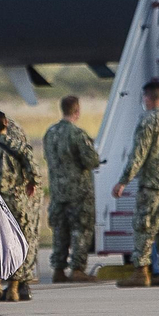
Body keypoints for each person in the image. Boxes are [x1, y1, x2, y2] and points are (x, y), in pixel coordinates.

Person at [112, 80, 159, 288]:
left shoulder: (147, 121)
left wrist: (123, 181)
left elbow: (138, 154)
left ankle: (141, 272)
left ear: (147, 98)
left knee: (144, 227)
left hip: (153, 185)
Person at [43, 95, 101, 284]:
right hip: (78, 192)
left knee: (60, 231)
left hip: (57, 191)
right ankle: (77, 268)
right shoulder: (77, 134)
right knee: (80, 230)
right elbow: (92, 161)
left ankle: (58, 269)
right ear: (77, 111)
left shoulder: (50, 133)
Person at [0, 110, 40, 302]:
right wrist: (32, 183)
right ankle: (14, 287)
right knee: (19, 242)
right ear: (6, 124)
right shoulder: (18, 146)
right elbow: (34, 170)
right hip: (16, 200)